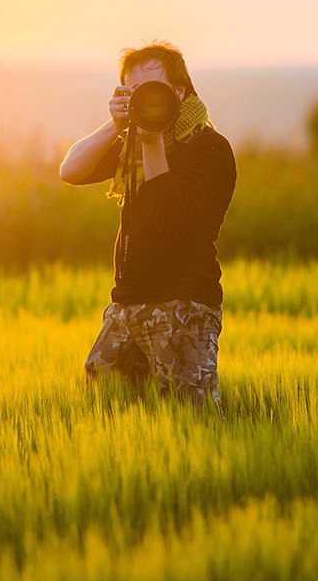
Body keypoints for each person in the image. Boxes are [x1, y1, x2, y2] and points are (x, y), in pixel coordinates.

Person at [59, 42, 236, 406]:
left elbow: (170, 222)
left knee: (190, 417)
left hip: (183, 307)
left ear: (180, 91)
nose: (146, 100)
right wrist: (116, 124)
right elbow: (70, 170)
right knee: (103, 410)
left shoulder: (209, 149)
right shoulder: (130, 144)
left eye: (154, 90)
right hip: (127, 305)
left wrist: (152, 139)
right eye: (135, 92)